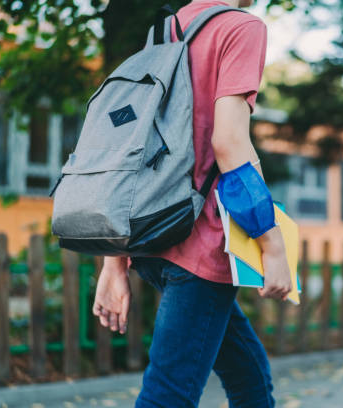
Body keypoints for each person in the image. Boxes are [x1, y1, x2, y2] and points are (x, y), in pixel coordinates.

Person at [90, 0, 292, 406]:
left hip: (151, 241)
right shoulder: (240, 27)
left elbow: (126, 150)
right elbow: (229, 143)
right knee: (169, 395)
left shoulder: (162, 33)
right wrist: (273, 245)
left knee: (249, 376)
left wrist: (115, 262)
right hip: (199, 246)